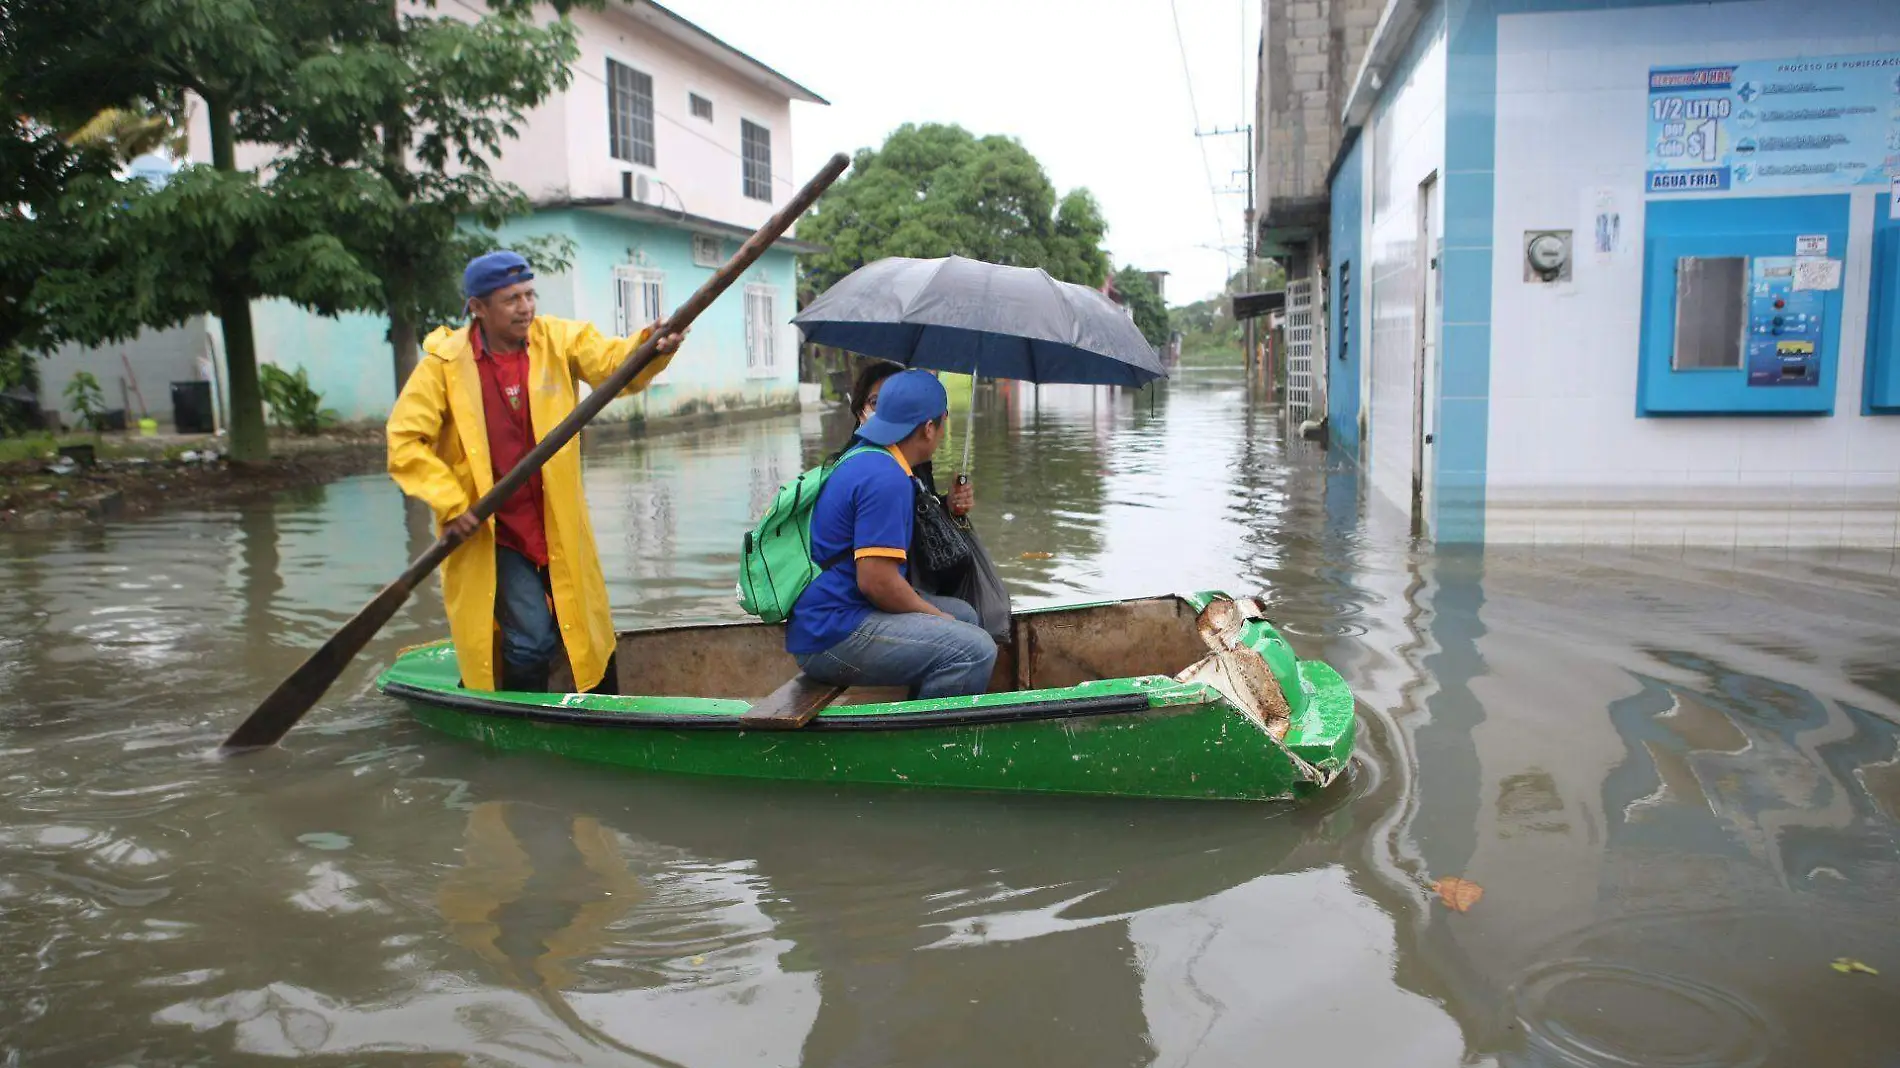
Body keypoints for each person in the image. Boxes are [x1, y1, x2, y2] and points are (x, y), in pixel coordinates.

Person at [387, 250, 684, 693]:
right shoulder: (444, 364)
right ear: (478, 308)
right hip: (494, 530)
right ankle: (519, 722)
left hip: (555, 519)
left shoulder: (558, 340)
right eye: (511, 299)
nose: (525, 307)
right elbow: (405, 440)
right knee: (529, 639)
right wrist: (452, 502)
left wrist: (651, 346)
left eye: (530, 295)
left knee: (587, 631)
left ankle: (601, 709)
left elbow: (614, 364)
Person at [789, 370, 998, 698]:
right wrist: (937, 617)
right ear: (929, 428)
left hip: (837, 614)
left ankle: (919, 705)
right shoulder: (885, 477)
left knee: (966, 615)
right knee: (975, 650)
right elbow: (876, 582)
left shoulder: (869, 456)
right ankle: (930, 746)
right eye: (943, 422)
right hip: (832, 634)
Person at [843, 360, 974, 593]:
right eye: (876, 403)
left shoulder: (915, 465)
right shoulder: (873, 471)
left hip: (910, 578)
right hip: (864, 598)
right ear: (860, 411)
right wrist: (938, 616)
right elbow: (875, 579)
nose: (886, 411)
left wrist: (948, 507)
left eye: (893, 403)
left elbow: (919, 525)